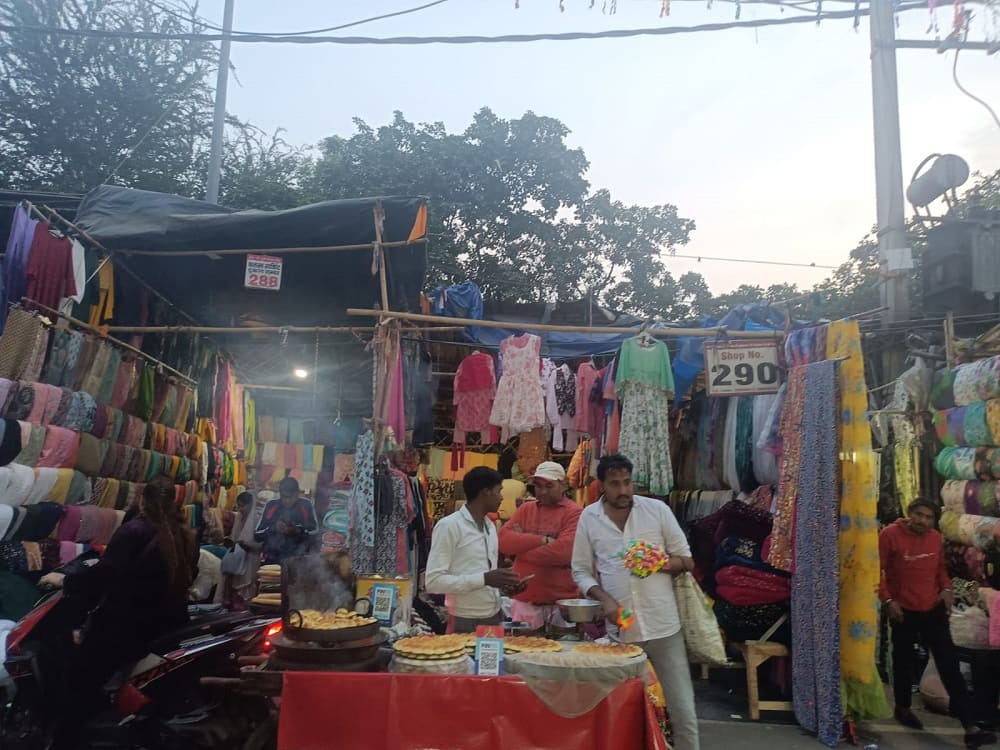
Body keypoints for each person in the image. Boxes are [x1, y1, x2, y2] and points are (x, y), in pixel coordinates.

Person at [39, 475, 198, 749]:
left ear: (142, 500)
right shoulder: (185, 535)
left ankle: (66, 741)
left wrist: (65, 580)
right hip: (169, 624)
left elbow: (104, 574)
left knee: (80, 680)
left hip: (126, 626)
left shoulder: (133, 531)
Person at [571, 453, 700, 750]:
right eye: (615, 484)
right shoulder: (589, 518)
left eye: (627, 482)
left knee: (683, 711)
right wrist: (604, 598)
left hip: (663, 624)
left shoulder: (657, 511)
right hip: (623, 624)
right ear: (601, 485)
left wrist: (659, 562)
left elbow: (688, 561)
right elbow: (579, 569)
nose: (623, 490)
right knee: (622, 710)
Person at [879, 498, 996, 747]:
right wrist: (888, 600)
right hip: (903, 610)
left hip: (932, 609)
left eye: (928, 517)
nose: (922, 520)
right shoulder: (889, 535)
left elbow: (940, 570)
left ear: (934, 520)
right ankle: (902, 707)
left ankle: (970, 728)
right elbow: (876, 571)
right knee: (903, 660)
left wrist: (946, 588)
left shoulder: (935, 538)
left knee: (949, 665)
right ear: (909, 513)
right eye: (918, 514)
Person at [425, 466, 523, 633]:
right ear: (486, 492)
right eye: (499, 491)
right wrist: (484, 579)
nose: (501, 497)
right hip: (464, 618)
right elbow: (433, 583)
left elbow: (486, 573)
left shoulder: (490, 526)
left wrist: (505, 583)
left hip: (494, 614)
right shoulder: (449, 526)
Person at [498, 461, 582, 632]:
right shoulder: (526, 509)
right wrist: (543, 540)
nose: (542, 491)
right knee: (522, 652)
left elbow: (563, 552)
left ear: (563, 485)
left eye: (549, 486)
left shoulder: (575, 513)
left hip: (561, 604)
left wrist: (520, 550)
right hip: (525, 600)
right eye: (538, 486)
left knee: (562, 655)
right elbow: (503, 542)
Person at [254, 477, 319, 565]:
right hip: (272, 559)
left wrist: (298, 531)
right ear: (280, 493)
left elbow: (315, 533)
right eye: (284, 497)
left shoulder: (306, 505)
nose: (287, 501)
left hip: (298, 560)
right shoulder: (271, 505)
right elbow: (257, 535)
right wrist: (273, 528)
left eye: (291, 497)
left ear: (297, 494)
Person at [223, 491, 263, 610]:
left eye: (243, 506)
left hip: (251, 559)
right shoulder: (238, 518)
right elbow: (234, 537)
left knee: (248, 587)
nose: (240, 509)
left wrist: (248, 545)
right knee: (234, 587)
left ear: (251, 504)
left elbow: (262, 544)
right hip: (238, 559)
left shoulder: (257, 519)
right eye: (239, 506)